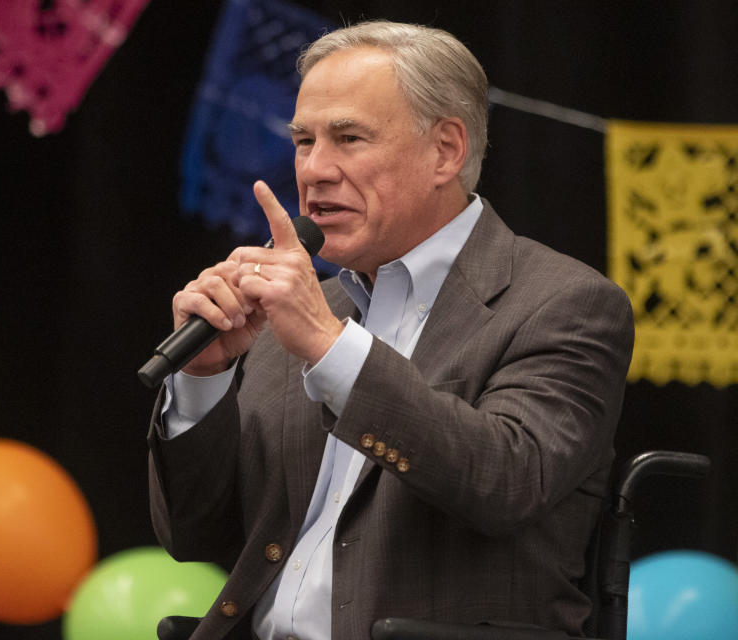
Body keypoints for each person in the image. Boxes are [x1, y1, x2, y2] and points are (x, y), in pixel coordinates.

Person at [147, 20, 634, 640]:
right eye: (303, 140)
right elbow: (195, 534)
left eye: (349, 138)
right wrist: (203, 378)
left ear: (446, 151)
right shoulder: (298, 315)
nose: (315, 169)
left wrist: (330, 347)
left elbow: (507, 481)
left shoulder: (565, 303)